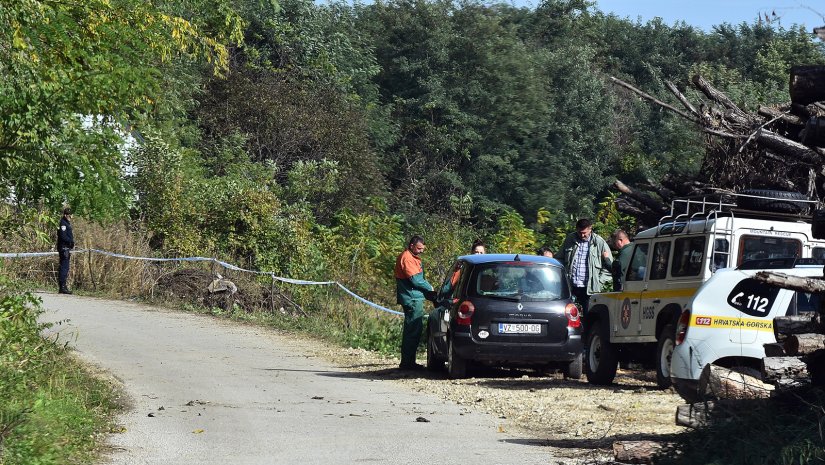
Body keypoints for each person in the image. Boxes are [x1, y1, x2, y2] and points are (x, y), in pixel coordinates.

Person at [394, 235, 435, 370]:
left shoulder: (411, 257)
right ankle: (407, 363)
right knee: (412, 330)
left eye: (423, 248)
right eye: (419, 248)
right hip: (411, 299)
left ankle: (409, 362)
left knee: (413, 329)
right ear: (411, 245)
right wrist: (430, 288)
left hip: (413, 297)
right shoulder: (407, 258)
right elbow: (416, 280)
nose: (421, 251)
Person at [556, 218, 613, 312]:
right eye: (579, 232)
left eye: (584, 233)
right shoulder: (570, 239)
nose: (582, 235)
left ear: (590, 229)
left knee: (589, 315)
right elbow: (559, 259)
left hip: (589, 288)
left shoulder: (599, 242)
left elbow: (609, 266)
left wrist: (599, 281)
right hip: (571, 285)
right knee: (567, 314)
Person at [57, 207, 75, 294]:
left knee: (65, 267)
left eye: (71, 215)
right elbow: (63, 236)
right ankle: (62, 287)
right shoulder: (63, 224)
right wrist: (70, 241)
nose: (71, 217)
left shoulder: (66, 223)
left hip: (67, 248)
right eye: (69, 215)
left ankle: (63, 285)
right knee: (64, 267)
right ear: (65, 215)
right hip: (64, 248)